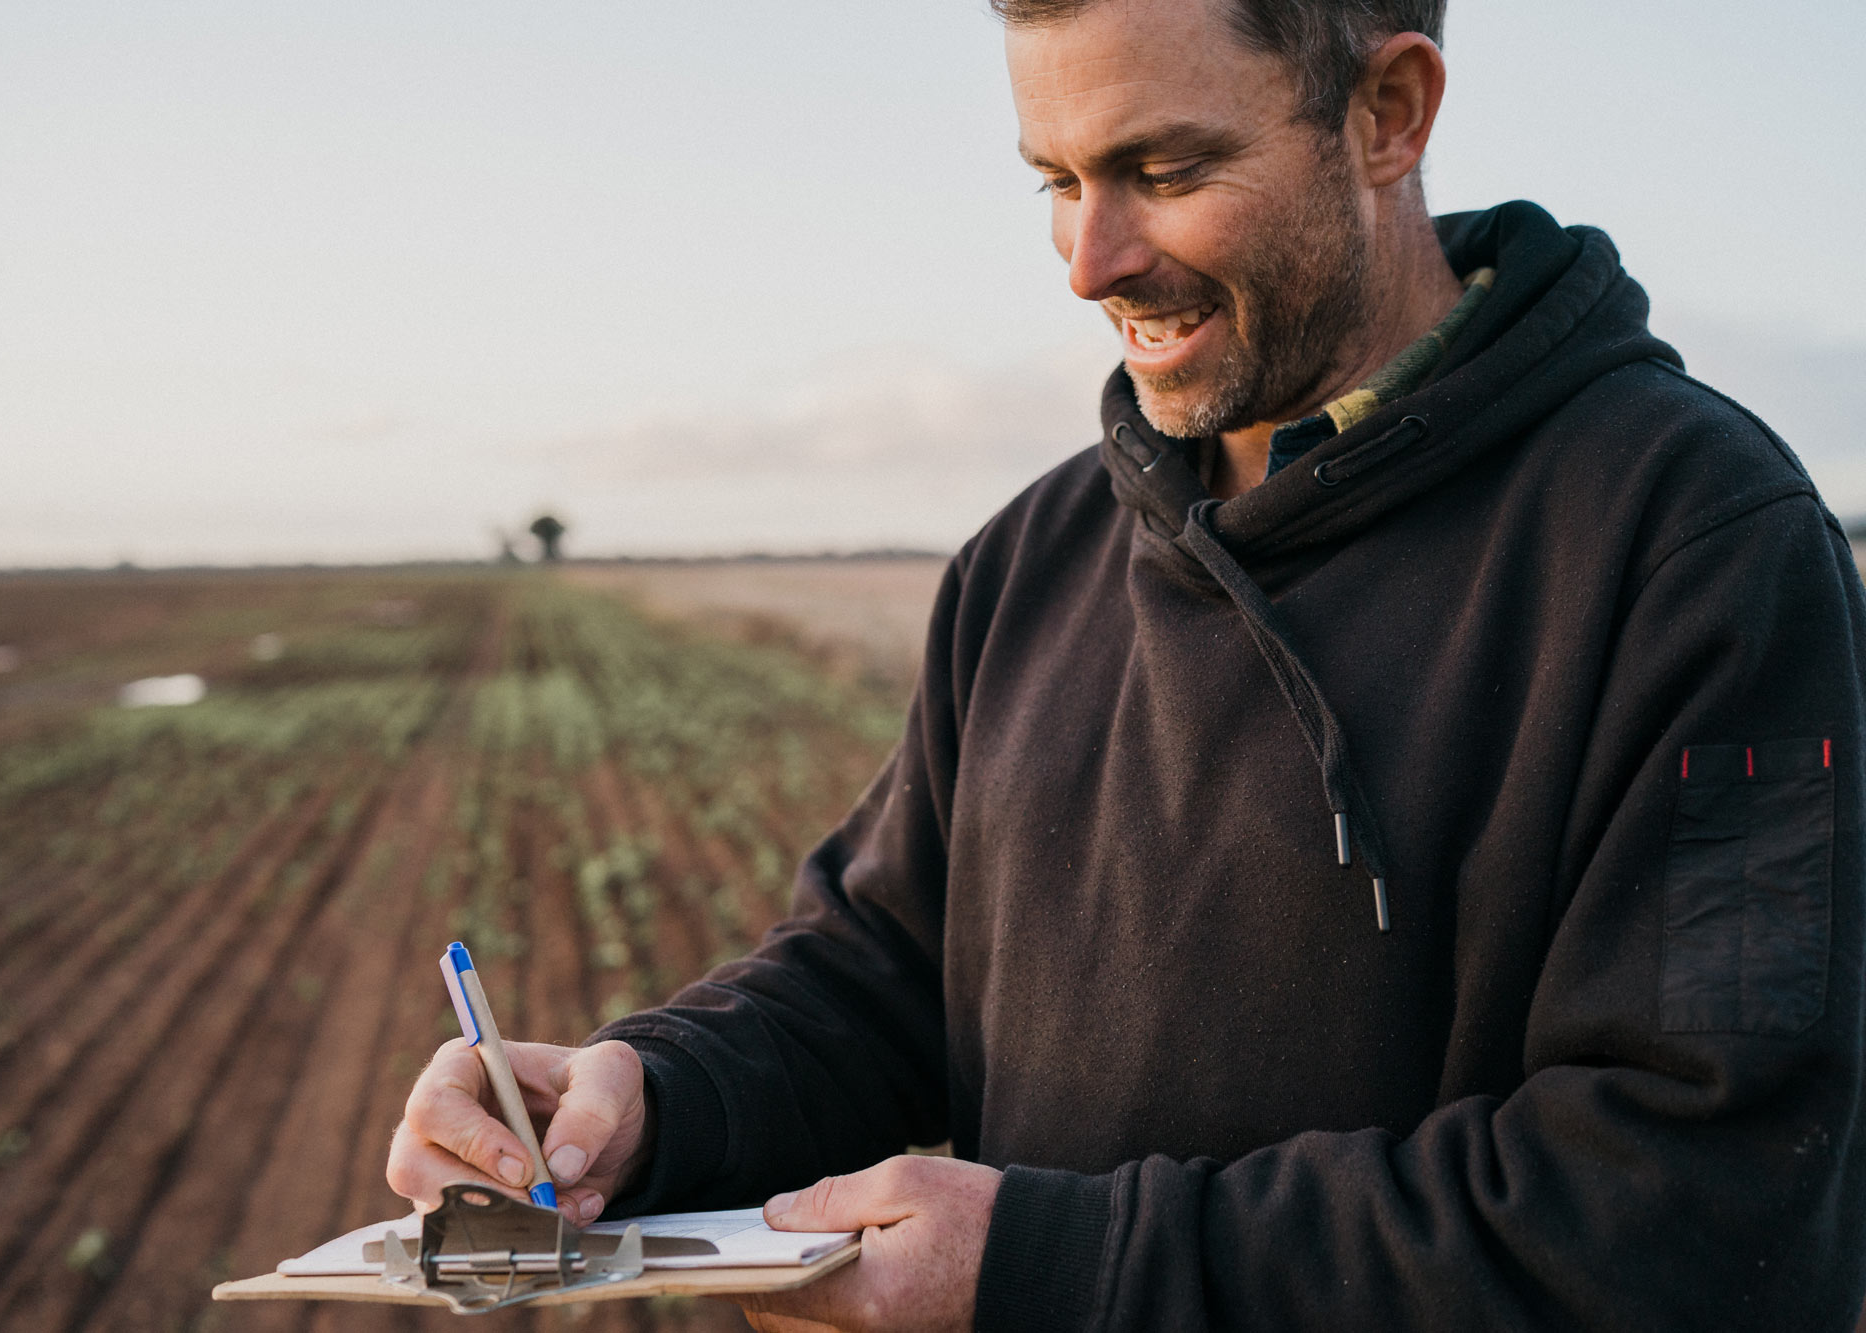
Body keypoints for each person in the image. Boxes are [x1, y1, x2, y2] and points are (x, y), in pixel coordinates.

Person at [387, 0, 1866, 1327]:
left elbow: (1695, 1209)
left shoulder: (1697, 544)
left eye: (1165, 171)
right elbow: (885, 973)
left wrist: (1059, 1268)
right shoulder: (1030, 561)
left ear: (1388, 114)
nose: (1091, 260)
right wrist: (648, 1100)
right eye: (1057, 179)